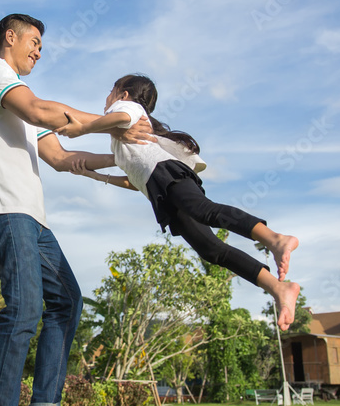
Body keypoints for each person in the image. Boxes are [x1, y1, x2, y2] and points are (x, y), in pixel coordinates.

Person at [0, 15, 153, 406]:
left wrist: (126, 166)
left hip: (32, 217)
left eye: (42, 45)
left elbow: (63, 157)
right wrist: (116, 121)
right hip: (2, 208)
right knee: (26, 307)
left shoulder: (20, 104)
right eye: (34, 41)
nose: (39, 51)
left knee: (67, 301)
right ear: (9, 38)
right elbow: (40, 109)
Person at [56, 73, 301, 331]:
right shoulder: (121, 141)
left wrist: (83, 128)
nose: (107, 98)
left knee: (203, 210)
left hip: (167, 174)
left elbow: (121, 117)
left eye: (111, 91)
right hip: (158, 186)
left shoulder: (126, 107)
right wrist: (94, 175)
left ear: (122, 94)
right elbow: (133, 180)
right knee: (210, 249)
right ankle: (278, 288)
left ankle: (274, 239)